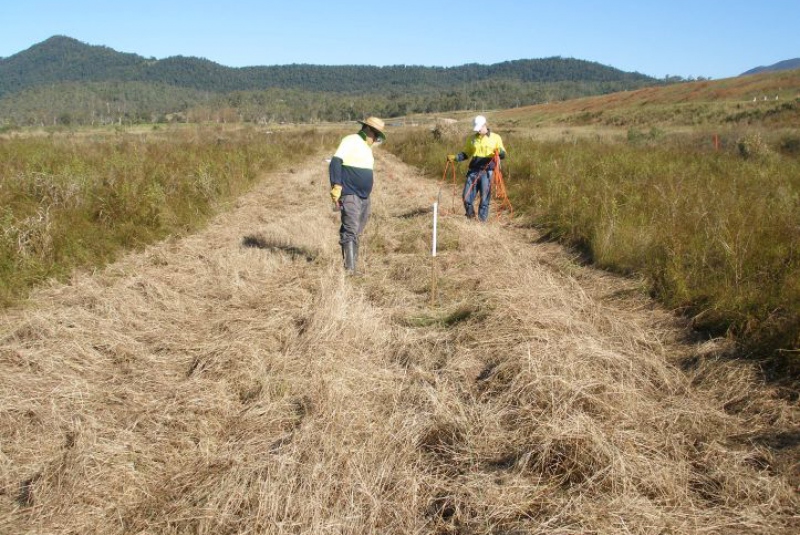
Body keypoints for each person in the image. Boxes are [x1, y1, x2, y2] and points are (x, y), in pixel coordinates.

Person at [329, 116, 386, 274]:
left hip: (364, 196)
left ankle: (352, 265)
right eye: (376, 135)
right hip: (350, 193)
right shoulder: (351, 140)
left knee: (356, 231)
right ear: (368, 129)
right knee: (351, 229)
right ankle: (350, 270)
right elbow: (335, 162)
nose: (376, 139)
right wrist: (336, 185)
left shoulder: (367, 148)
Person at [447, 115, 507, 222]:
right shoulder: (472, 139)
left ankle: (482, 222)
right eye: (477, 128)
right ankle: (471, 217)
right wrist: (456, 158)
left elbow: (503, 154)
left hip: (488, 172)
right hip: (473, 171)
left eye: (480, 127)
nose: (478, 130)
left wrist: (500, 153)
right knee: (466, 197)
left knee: (484, 199)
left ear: (485, 125)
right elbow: (466, 153)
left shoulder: (496, 137)